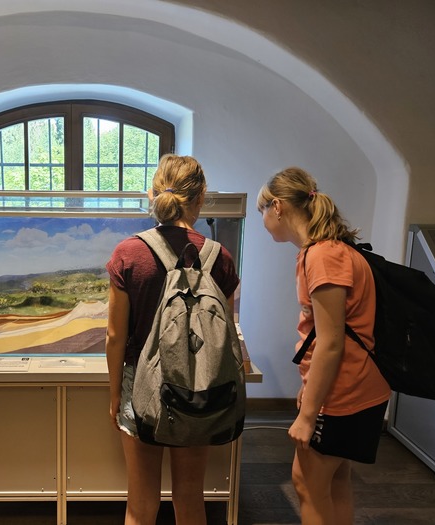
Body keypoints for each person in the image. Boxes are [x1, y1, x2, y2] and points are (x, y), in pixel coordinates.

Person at [105, 154, 240, 525]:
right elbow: (225, 334)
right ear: (201, 198)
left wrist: (115, 393)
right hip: (199, 386)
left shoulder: (128, 253)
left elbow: (115, 336)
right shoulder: (220, 258)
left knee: (140, 503)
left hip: (139, 384)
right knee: (190, 497)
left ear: (152, 194)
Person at [257, 167, 391, 525]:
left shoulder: (322, 256)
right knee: (336, 480)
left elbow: (331, 343)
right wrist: (309, 388)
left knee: (307, 483)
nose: (263, 221)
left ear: (278, 206)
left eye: (262, 211)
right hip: (359, 387)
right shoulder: (334, 249)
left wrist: (307, 416)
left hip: (344, 392)